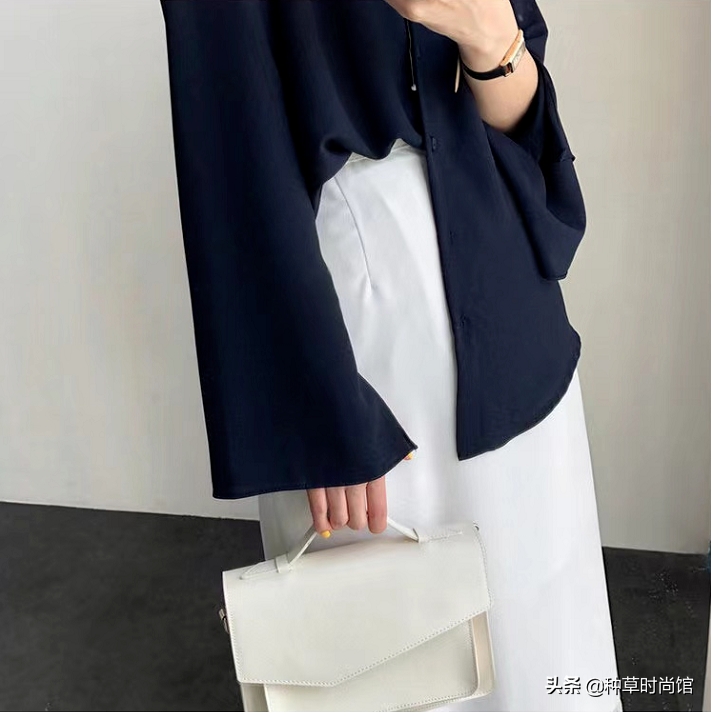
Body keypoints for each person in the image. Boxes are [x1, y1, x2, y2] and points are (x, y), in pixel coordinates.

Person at [160, 1, 623, 709]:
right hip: (359, 323)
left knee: (542, 629)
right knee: (383, 649)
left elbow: (513, 93)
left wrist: (489, 36)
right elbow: (230, 147)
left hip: (509, 293)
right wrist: (313, 407)